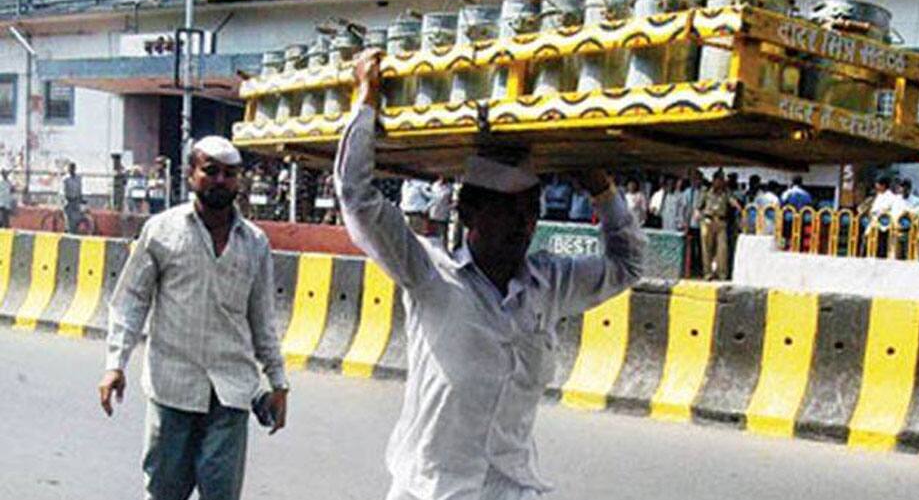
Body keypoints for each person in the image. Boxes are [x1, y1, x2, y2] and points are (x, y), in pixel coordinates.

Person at [336, 48, 647, 500]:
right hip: (432, 491)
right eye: (509, 211)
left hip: (512, 490)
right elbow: (356, 198)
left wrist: (602, 191)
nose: (524, 224)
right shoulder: (429, 275)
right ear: (470, 213)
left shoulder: (549, 284)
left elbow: (629, 264)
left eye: (531, 211)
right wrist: (366, 101)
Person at [97, 136, 289, 500]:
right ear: (190, 175)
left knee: (221, 495)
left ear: (239, 181)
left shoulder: (255, 243)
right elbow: (131, 301)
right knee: (165, 492)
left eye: (230, 174)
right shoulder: (161, 230)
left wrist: (278, 382)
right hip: (173, 389)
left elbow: (262, 318)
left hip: (231, 393)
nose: (220, 180)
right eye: (210, 171)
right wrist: (114, 364)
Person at [696, 170, 741, 281]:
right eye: (718, 180)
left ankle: (722, 274)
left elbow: (734, 203)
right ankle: (707, 273)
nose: (720, 183)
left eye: (722, 180)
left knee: (722, 249)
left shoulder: (726, 193)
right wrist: (698, 215)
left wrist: (737, 206)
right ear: (714, 180)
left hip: (721, 222)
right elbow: (698, 206)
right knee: (706, 249)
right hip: (708, 221)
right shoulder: (706, 192)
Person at [62, 162, 84, 234]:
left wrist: (81, 198)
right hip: (68, 199)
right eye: (70, 168)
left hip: (76, 199)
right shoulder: (65, 179)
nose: (71, 169)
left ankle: (75, 230)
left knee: (77, 216)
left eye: (73, 168)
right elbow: (63, 190)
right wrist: (65, 198)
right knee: (69, 217)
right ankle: (68, 230)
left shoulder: (78, 178)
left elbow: (80, 189)